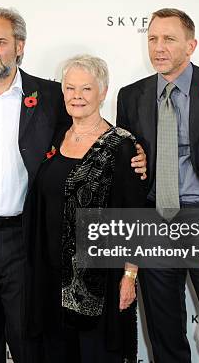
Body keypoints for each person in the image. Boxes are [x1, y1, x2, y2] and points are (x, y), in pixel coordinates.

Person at [0, 6, 147, 363]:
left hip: (27, 241)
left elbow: (88, 122)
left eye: (0, 41)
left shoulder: (50, 95)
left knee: (31, 346)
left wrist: (131, 150)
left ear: (19, 46)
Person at [116, 8, 199, 362]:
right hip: (157, 220)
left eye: (169, 39)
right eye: (152, 38)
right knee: (164, 330)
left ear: (191, 45)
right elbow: (130, 166)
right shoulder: (131, 96)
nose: (158, 47)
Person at [27, 55, 145, 362]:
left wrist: (130, 277)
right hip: (51, 278)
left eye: (86, 89)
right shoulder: (54, 137)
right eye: (70, 88)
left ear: (103, 92)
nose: (76, 96)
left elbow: (135, 217)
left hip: (99, 282)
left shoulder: (123, 147)